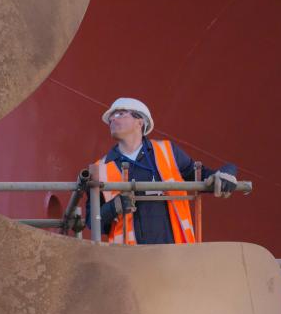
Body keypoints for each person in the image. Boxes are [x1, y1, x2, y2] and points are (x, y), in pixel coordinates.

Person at [89, 97, 238, 245]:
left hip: (173, 255)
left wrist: (227, 172)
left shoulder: (167, 151)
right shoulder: (100, 169)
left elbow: (201, 176)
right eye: (111, 117)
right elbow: (92, 221)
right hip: (129, 261)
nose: (112, 120)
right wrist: (114, 207)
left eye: (120, 114)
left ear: (139, 122)